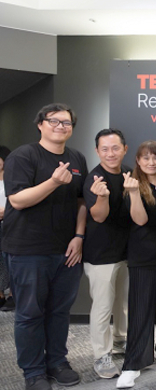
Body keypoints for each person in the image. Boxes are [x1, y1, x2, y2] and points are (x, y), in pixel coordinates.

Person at [2, 103, 87, 390]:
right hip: (28, 250)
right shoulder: (23, 156)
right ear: (40, 124)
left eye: (67, 122)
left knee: (59, 311)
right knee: (30, 313)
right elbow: (17, 200)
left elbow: (81, 201)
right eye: (54, 121)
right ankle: (34, 372)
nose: (61, 126)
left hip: (66, 250)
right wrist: (52, 182)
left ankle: (57, 363)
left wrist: (79, 236)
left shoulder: (76, 158)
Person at [116, 141, 156, 389]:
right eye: (146, 158)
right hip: (143, 257)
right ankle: (132, 365)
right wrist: (134, 193)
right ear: (138, 161)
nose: (151, 162)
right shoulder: (132, 184)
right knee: (141, 311)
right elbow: (139, 220)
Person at [82, 128, 132, 379]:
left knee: (122, 302)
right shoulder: (94, 178)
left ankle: (120, 340)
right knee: (102, 306)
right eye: (105, 149)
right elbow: (99, 216)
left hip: (126, 250)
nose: (110, 153)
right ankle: (102, 355)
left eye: (115, 148)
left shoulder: (129, 173)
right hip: (100, 254)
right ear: (97, 151)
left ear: (124, 149)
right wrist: (101, 197)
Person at [0, 144, 15, 312]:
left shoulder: (13, 177)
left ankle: (12, 294)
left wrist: (6, 212)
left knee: (10, 259)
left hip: (10, 223)